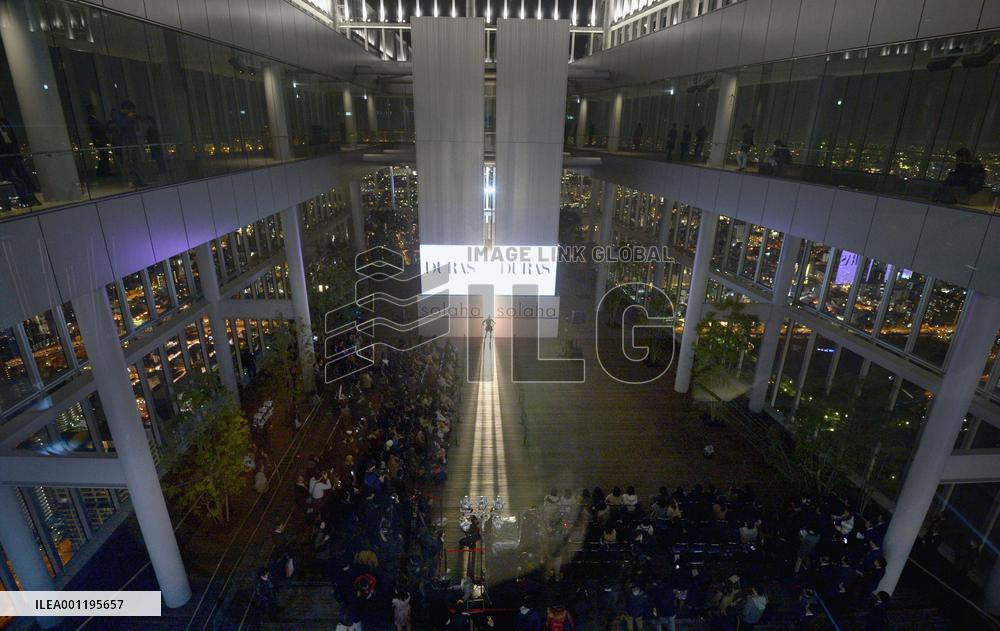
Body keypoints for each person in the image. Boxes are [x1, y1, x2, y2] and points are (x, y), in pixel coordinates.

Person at [0, 117, 39, 206]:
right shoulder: (4, 121)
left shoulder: (4, 121)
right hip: (3, 156)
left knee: (23, 175)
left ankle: (30, 198)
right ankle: (22, 199)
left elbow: (13, 137)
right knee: (10, 178)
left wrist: (17, 152)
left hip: (13, 152)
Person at [113, 100, 145, 187]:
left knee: (136, 162)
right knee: (128, 163)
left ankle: (139, 180)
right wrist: (129, 117)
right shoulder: (118, 116)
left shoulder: (127, 116)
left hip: (133, 142)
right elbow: (121, 125)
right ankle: (131, 181)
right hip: (126, 143)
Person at [85, 104, 112, 176]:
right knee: (104, 155)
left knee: (104, 156)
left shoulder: (93, 119)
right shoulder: (91, 120)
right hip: (99, 140)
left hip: (100, 139)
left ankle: (103, 172)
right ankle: (103, 172)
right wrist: (105, 126)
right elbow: (98, 129)